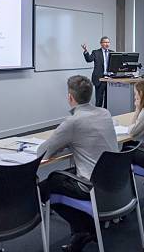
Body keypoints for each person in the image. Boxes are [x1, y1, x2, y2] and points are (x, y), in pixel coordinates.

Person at [37, 75, 118, 252]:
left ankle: (83, 230)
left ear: (70, 97)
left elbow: (42, 152)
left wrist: (65, 142)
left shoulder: (73, 122)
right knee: (68, 173)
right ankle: (84, 230)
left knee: (48, 185)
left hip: (92, 186)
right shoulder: (105, 113)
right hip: (115, 182)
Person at [81, 36, 112, 108]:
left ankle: (105, 114)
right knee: (99, 100)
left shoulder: (112, 53)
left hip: (110, 79)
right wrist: (85, 51)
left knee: (108, 100)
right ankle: (98, 116)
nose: (107, 44)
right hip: (99, 78)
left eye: (108, 42)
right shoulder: (96, 52)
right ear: (101, 43)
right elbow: (89, 59)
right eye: (105, 42)